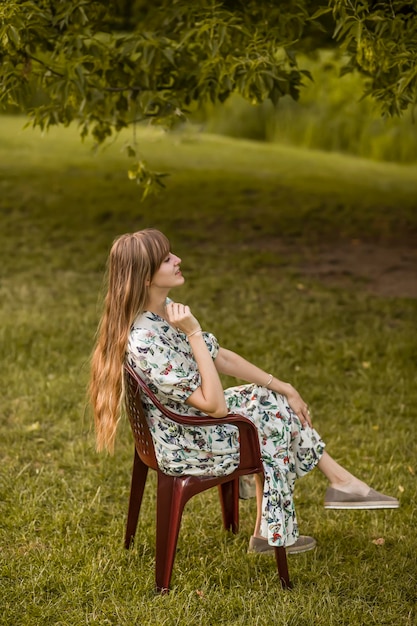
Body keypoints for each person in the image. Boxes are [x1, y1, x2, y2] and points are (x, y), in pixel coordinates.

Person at [90, 229, 399, 556]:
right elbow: (216, 407)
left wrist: (284, 386)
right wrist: (193, 333)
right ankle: (281, 525)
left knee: (271, 400)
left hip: (191, 421)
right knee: (273, 420)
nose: (178, 260)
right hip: (185, 441)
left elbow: (219, 357)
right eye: (167, 259)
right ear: (145, 278)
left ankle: (336, 485)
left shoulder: (163, 310)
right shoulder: (146, 340)